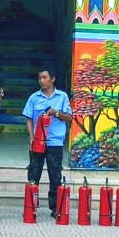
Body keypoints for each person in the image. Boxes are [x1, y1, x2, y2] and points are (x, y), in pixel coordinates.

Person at [22, 68, 72, 217]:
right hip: (38, 142)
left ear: (53, 79)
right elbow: (28, 119)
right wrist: (31, 138)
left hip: (55, 142)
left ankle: (55, 207)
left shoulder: (62, 96)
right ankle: (31, 206)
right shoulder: (34, 97)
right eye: (39, 78)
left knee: (55, 175)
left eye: (44, 77)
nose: (41, 81)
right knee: (33, 174)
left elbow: (69, 117)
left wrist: (56, 113)